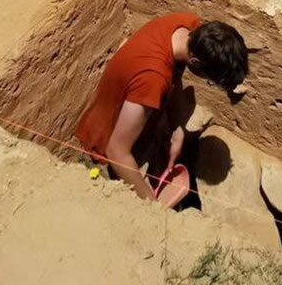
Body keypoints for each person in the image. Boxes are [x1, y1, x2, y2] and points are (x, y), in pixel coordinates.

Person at [74, 12, 247, 204]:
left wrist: (178, 129)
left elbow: (175, 78)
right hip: (105, 141)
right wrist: (152, 207)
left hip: (135, 111)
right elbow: (117, 152)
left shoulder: (187, 25)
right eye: (209, 80)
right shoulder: (153, 79)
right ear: (195, 62)